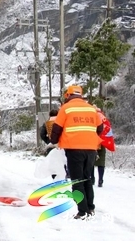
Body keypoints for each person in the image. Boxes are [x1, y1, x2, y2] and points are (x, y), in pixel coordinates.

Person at [50, 85, 103, 220]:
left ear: (67, 96)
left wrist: (54, 141)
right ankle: (90, 208)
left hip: (74, 149)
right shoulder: (91, 108)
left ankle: (82, 211)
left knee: (77, 181)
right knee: (87, 179)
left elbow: (56, 128)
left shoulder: (66, 108)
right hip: (91, 149)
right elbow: (100, 128)